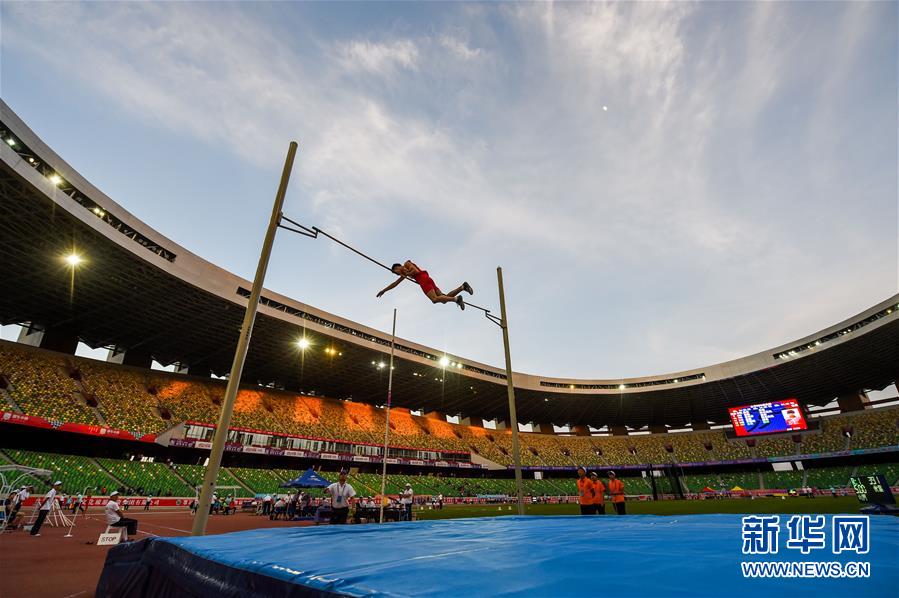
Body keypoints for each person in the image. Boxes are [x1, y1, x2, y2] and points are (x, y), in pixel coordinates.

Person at [377, 261, 473, 310]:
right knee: (444, 299)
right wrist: (384, 290)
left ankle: (456, 299)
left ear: (397, 267)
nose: (397, 274)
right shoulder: (405, 273)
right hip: (429, 279)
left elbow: (415, 271)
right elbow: (395, 284)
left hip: (423, 280)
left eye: (395, 272)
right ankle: (463, 287)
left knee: (434, 300)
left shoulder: (406, 264)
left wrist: (407, 274)